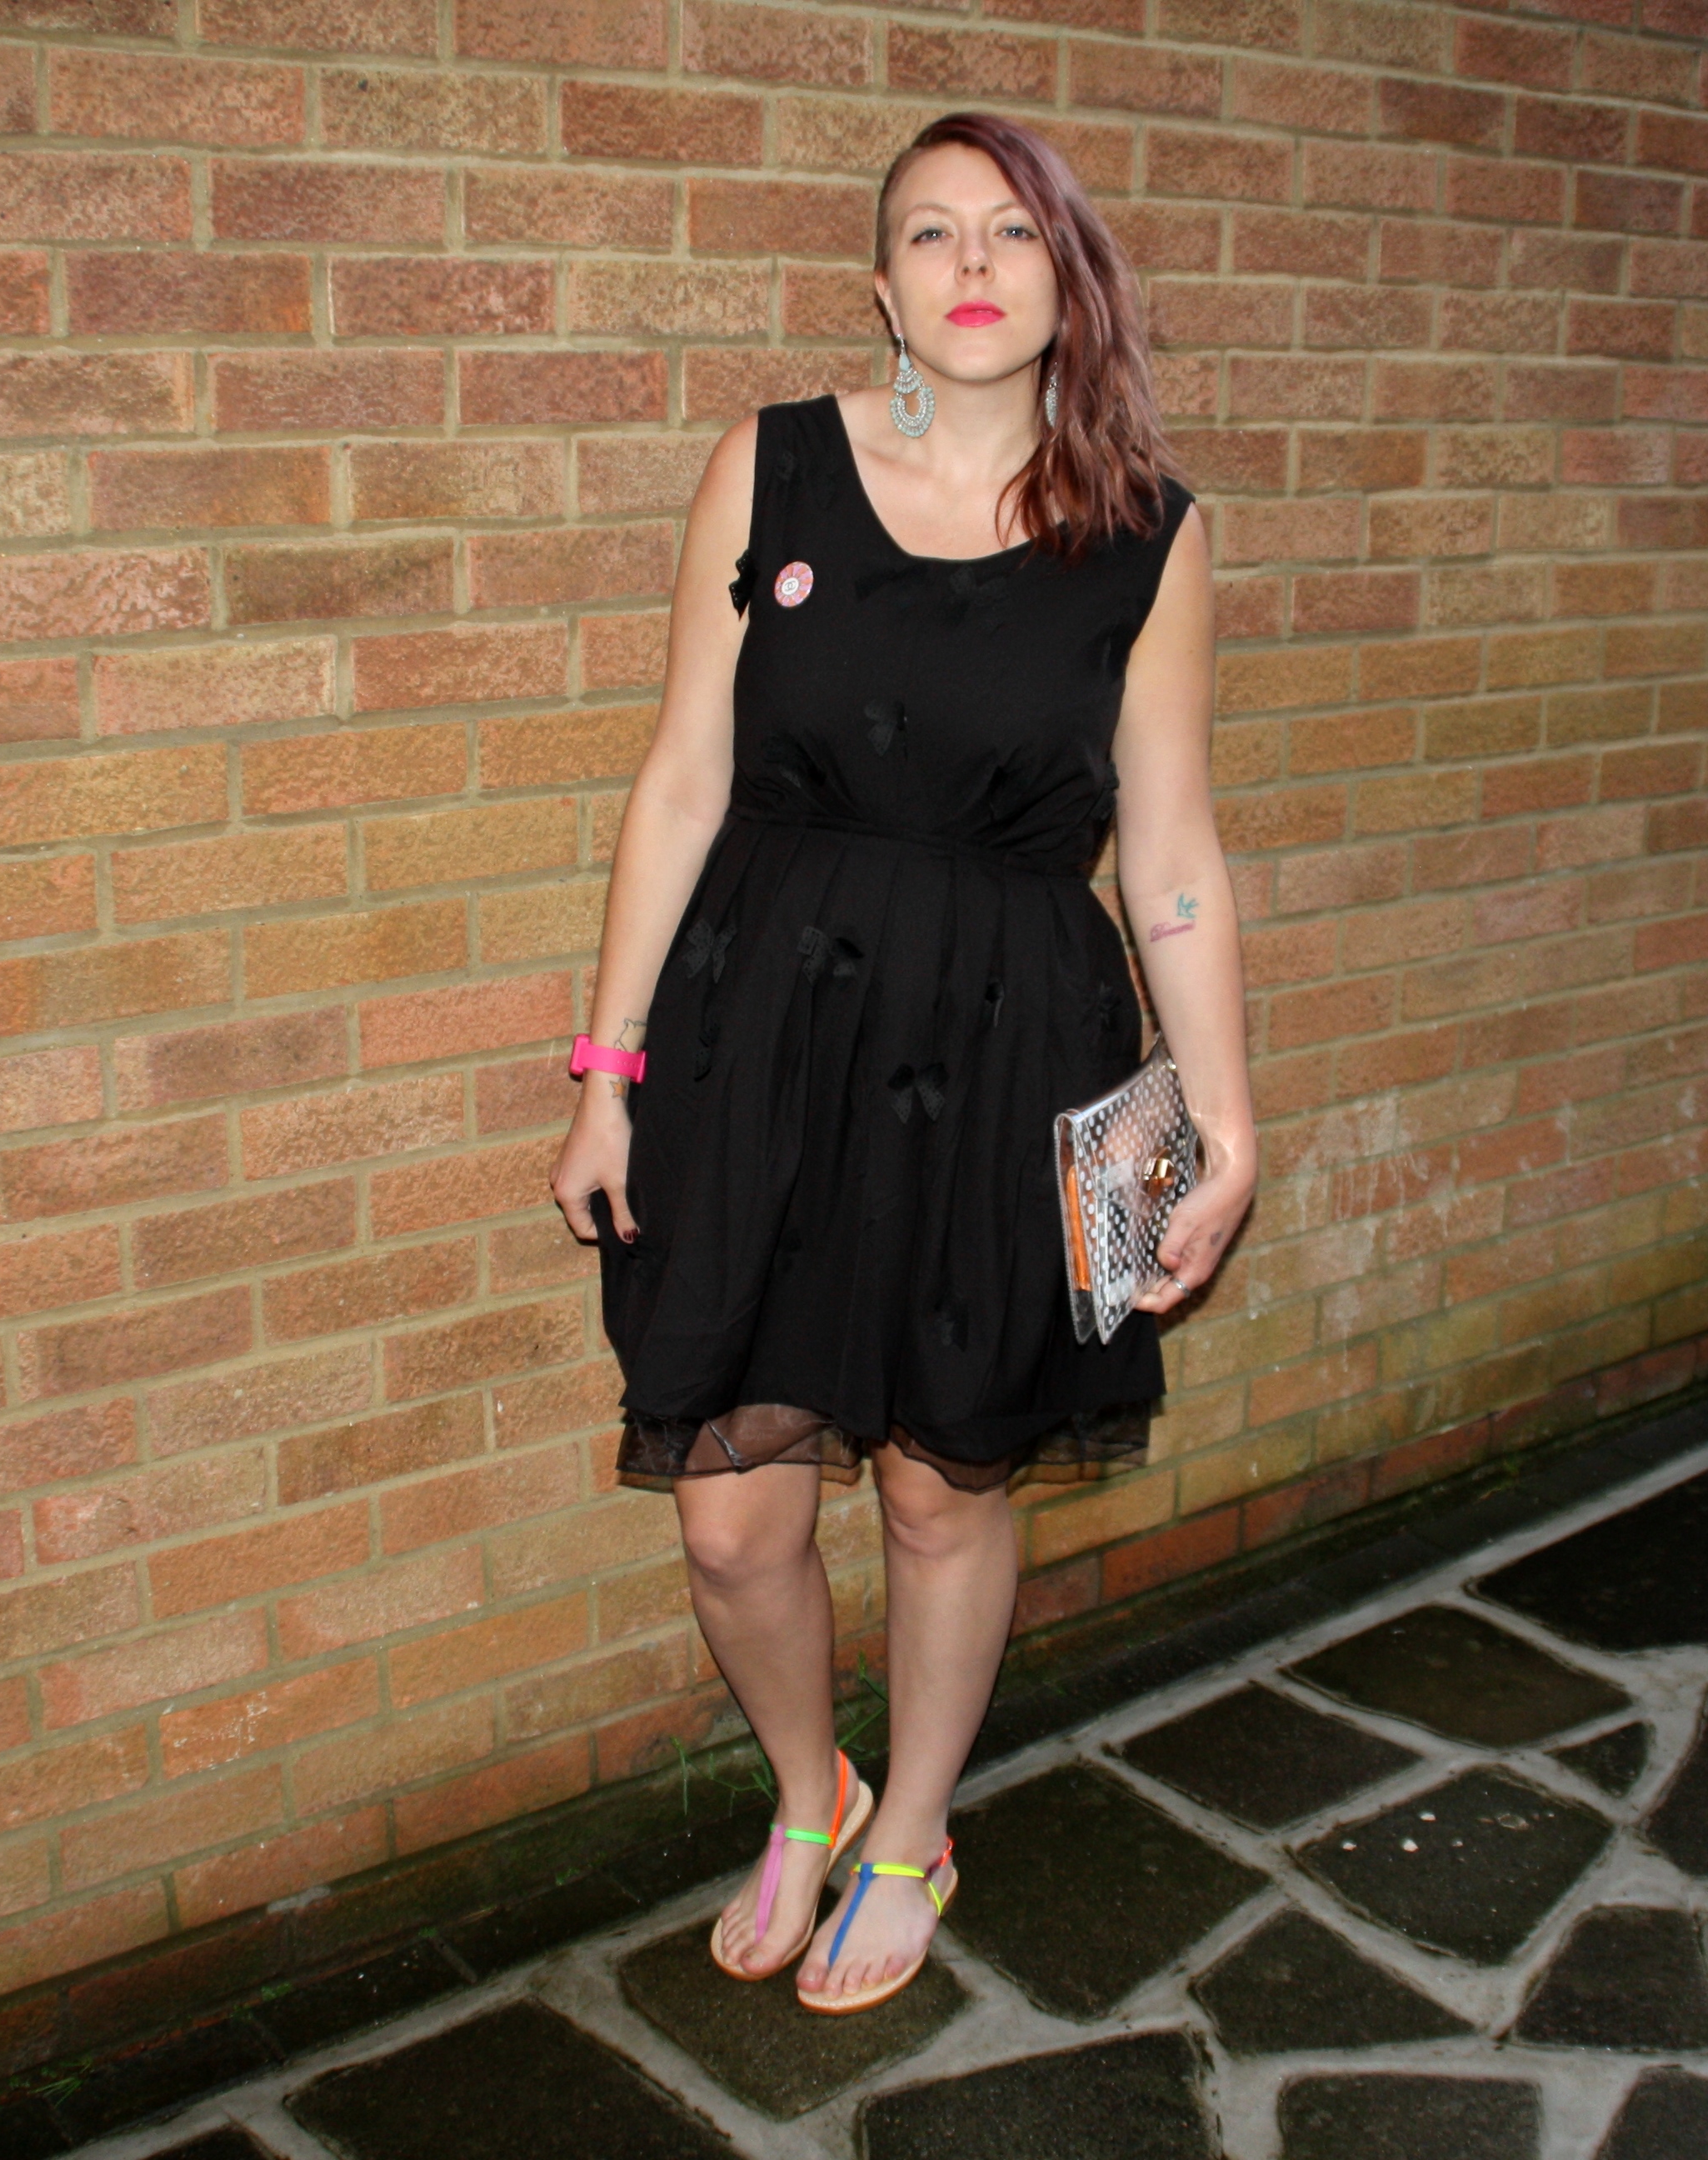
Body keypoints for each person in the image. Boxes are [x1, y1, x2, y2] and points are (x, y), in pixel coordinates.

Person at [547, 110, 1256, 2018]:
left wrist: (1221, 1114)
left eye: (1011, 232)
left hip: (1015, 1047)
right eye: (930, 232)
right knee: (731, 1514)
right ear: (881, 286)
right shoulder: (770, 466)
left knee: (948, 1486)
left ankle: (917, 1827)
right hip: (756, 1040)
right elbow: (682, 777)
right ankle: (812, 1794)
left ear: (1064, 281)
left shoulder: (1147, 535)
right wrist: (608, 1068)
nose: (971, 263)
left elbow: (1172, 851)